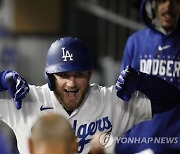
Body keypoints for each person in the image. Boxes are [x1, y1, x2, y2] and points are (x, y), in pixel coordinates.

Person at [0, 37, 179, 154]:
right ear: (50, 77)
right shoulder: (25, 99)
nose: (71, 83)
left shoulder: (111, 101)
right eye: (63, 75)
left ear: (90, 74)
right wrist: (1, 80)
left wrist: (143, 81)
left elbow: (171, 99)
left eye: (78, 75)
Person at [119, 0, 180, 153]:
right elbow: (121, 98)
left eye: (175, 1)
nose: (168, 6)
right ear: (152, 5)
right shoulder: (135, 42)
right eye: (162, 1)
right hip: (137, 145)